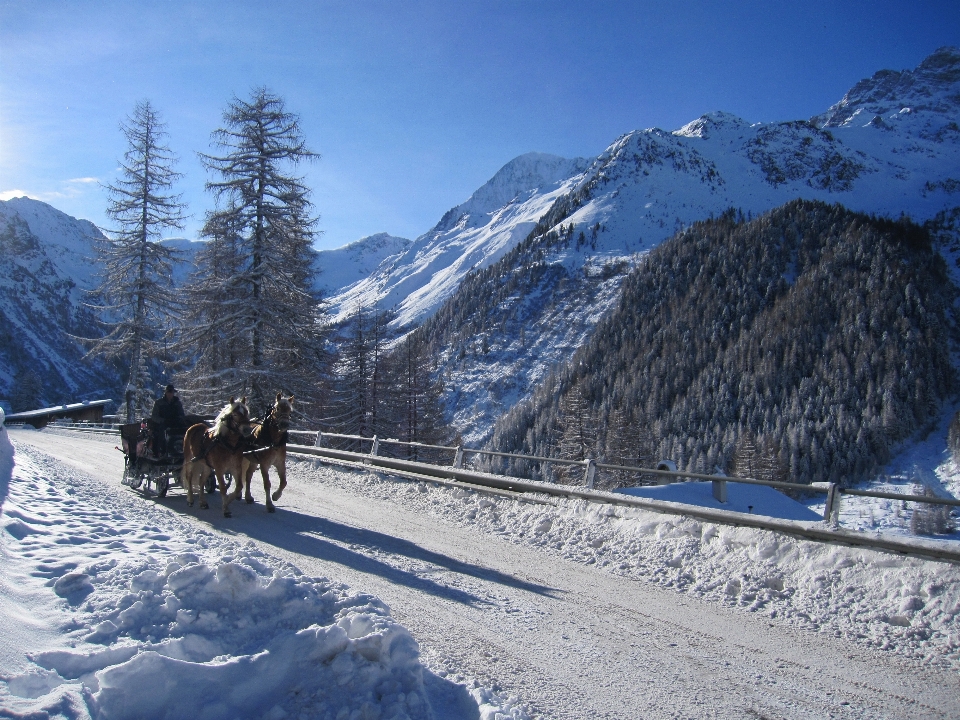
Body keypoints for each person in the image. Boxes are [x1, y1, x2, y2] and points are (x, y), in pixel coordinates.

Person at [151, 384, 186, 457]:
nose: (170, 394)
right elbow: (154, 416)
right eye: (168, 392)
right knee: (160, 433)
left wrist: (178, 419)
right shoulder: (159, 403)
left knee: (184, 430)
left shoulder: (177, 403)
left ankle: (182, 450)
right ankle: (161, 452)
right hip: (163, 424)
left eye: (171, 392)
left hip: (175, 423)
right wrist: (162, 420)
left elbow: (182, 414)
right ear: (166, 393)